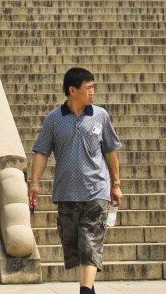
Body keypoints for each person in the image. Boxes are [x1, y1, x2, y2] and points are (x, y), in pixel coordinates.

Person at [29, 67, 122, 294]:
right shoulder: (54, 119)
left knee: (90, 243)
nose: (93, 92)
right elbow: (42, 151)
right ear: (72, 90)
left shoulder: (100, 115)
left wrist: (116, 184)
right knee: (75, 246)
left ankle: (85, 290)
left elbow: (110, 151)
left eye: (93, 87)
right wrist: (34, 183)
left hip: (96, 191)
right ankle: (88, 288)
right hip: (66, 193)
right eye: (88, 88)